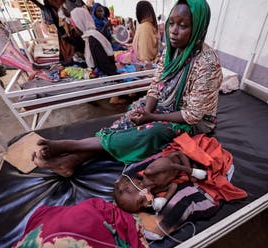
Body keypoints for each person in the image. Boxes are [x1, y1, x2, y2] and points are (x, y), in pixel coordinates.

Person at [32, 0, 222, 177]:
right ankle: (72, 161)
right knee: (134, 112)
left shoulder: (207, 63)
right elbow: (156, 86)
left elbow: (193, 115)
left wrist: (152, 118)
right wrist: (145, 112)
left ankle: (72, 147)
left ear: (198, 28)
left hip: (193, 122)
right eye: (171, 23)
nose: (173, 31)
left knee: (152, 132)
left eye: (183, 26)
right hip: (166, 106)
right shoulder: (171, 52)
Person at [113, 151, 207, 213]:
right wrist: (164, 200)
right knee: (197, 177)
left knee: (194, 178)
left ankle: (194, 166)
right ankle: (194, 165)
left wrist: (191, 172)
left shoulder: (149, 172)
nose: (146, 205)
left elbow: (172, 165)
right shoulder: (155, 190)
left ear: (139, 184)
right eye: (142, 207)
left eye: (141, 201)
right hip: (181, 170)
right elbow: (173, 185)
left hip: (179, 157)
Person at [70, 7, 117, 76]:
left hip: (107, 77)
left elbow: (105, 67)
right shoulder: (92, 35)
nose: (74, 28)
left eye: (74, 25)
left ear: (80, 23)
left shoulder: (93, 39)